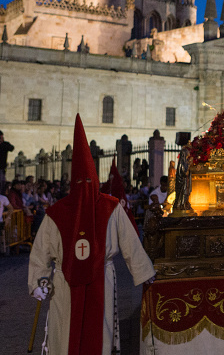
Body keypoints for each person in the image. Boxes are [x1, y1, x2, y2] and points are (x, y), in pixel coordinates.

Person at [28, 115, 155, 355]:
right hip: (65, 283)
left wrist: (143, 271)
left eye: (89, 180)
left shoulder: (110, 207)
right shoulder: (58, 213)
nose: (85, 186)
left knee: (99, 333)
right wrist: (38, 280)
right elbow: (42, 250)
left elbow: (130, 244)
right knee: (65, 331)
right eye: (81, 181)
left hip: (101, 279)